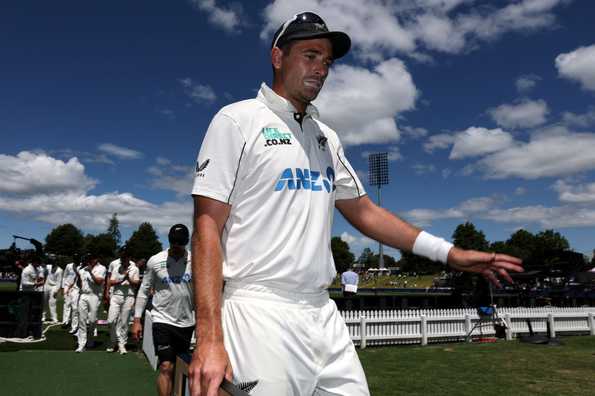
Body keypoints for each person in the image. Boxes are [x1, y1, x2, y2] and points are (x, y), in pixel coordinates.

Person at [188, 12, 523, 396]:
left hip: (322, 311)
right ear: (278, 57)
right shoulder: (236, 120)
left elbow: (364, 211)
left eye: (327, 62)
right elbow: (207, 228)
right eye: (311, 55)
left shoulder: (325, 136)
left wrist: (451, 254)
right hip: (258, 310)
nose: (321, 69)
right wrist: (210, 337)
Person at [132, 224, 194, 396]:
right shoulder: (155, 261)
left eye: (180, 243)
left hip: (187, 321)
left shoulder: (195, 260)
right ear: (169, 240)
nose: (176, 247)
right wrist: (137, 320)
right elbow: (144, 291)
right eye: (174, 242)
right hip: (162, 320)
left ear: (186, 242)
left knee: (180, 367)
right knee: (166, 366)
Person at [106, 247, 140, 354]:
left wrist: (128, 279)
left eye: (125, 257)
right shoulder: (117, 268)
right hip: (116, 295)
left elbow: (136, 283)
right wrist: (122, 279)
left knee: (124, 322)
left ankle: (122, 345)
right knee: (111, 320)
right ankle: (113, 341)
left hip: (129, 296)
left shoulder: (135, 268)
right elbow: (111, 281)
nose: (122, 259)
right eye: (121, 256)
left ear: (128, 257)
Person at [76, 255, 106, 352]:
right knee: (82, 319)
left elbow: (99, 282)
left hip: (94, 295)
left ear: (96, 259)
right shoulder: (82, 269)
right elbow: (79, 283)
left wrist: (90, 272)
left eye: (91, 259)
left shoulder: (101, 268)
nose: (89, 261)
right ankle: (81, 344)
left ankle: (90, 340)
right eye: (88, 259)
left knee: (92, 320)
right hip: (83, 295)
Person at [62, 257, 79, 327]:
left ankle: (73, 322)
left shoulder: (81, 266)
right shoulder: (68, 266)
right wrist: (63, 287)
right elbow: (64, 276)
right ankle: (65, 321)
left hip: (76, 288)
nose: (76, 260)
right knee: (67, 304)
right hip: (67, 285)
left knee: (75, 306)